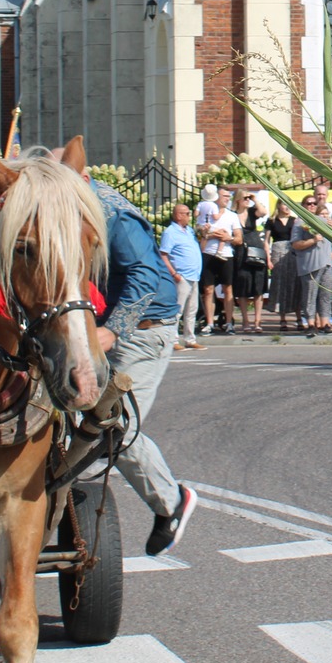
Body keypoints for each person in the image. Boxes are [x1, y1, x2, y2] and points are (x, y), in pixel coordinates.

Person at [73, 158, 197, 556]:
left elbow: (144, 274)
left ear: (84, 178)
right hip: (98, 328)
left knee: (116, 425)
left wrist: (114, 329)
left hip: (142, 332)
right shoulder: (68, 211)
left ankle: (171, 503)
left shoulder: (115, 216)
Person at [195, 187, 238, 346]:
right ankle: (209, 323)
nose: (227, 199)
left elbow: (239, 238)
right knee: (208, 289)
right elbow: (198, 233)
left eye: (229, 196)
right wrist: (210, 234)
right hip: (208, 253)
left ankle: (229, 322)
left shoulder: (232, 216)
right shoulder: (207, 213)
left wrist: (229, 237)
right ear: (216, 198)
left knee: (228, 288)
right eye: (224, 196)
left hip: (226, 254)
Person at [291, 196, 332, 335]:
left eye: (314, 203)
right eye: (308, 203)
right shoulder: (299, 223)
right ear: (303, 205)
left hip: (326, 263)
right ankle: (310, 323)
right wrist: (312, 240)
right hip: (310, 265)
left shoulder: (323, 221)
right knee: (310, 295)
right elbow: (295, 244)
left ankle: (325, 323)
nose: (311, 206)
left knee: (326, 294)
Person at [157, 203, 201, 335]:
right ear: (178, 215)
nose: (189, 216)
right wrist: (174, 273)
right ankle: (173, 338)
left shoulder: (189, 231)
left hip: (194, 275)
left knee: (192, 309)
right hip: (181, 276)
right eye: (187, 214)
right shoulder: (170, 232)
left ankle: (190, 338)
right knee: (178, 309)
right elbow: (163, 254)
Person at [230, 196, 270, 334]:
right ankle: (245, 320)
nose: (247, 200)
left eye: (248, 198)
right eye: (245, 198)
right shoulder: (232, 215)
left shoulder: (252, 212)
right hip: (241, 252)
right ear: (238, 200)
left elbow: (263, 212)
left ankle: (257, 321)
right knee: (243, 287)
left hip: (256, 250)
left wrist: (255, 199)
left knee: (258, 287)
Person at [266, 198, 300, 322]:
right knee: (280, 284)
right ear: (279, 206)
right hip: (277, 251)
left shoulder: (294, 221)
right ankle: (282, 318)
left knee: (294, 283)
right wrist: (268, 259)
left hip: (291, 252)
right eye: (284, 204)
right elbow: (266, 241)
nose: (286, 207)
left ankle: (298, 317)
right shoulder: (271, 221)